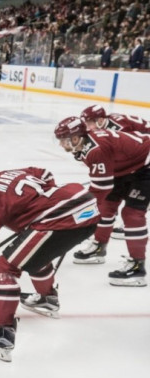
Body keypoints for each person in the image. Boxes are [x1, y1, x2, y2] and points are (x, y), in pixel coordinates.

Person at [0, 152, 99, 362]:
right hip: (86, 208)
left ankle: (2, 335)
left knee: (5, 266)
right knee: (34, 254)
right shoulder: (11, 173)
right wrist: (38, 206)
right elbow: (44, 174)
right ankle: (47, 299)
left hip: (60, 218)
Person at [54, 116, 149, 286]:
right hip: (128, 166)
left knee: (132, 213)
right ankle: (99, 247)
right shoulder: (85, 144)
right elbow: (102, 189)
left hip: (146, 166)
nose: (61, 145)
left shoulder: (95, 150)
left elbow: (100, 189)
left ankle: (137, 267)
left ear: (76, 138)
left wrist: (79, 212)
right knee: (107, 205)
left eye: (64, 140)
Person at [80, 105, 150, 136]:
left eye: (89, 124)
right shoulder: (108, 119)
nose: (88, 127)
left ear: (100, 120)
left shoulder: (118, 129)